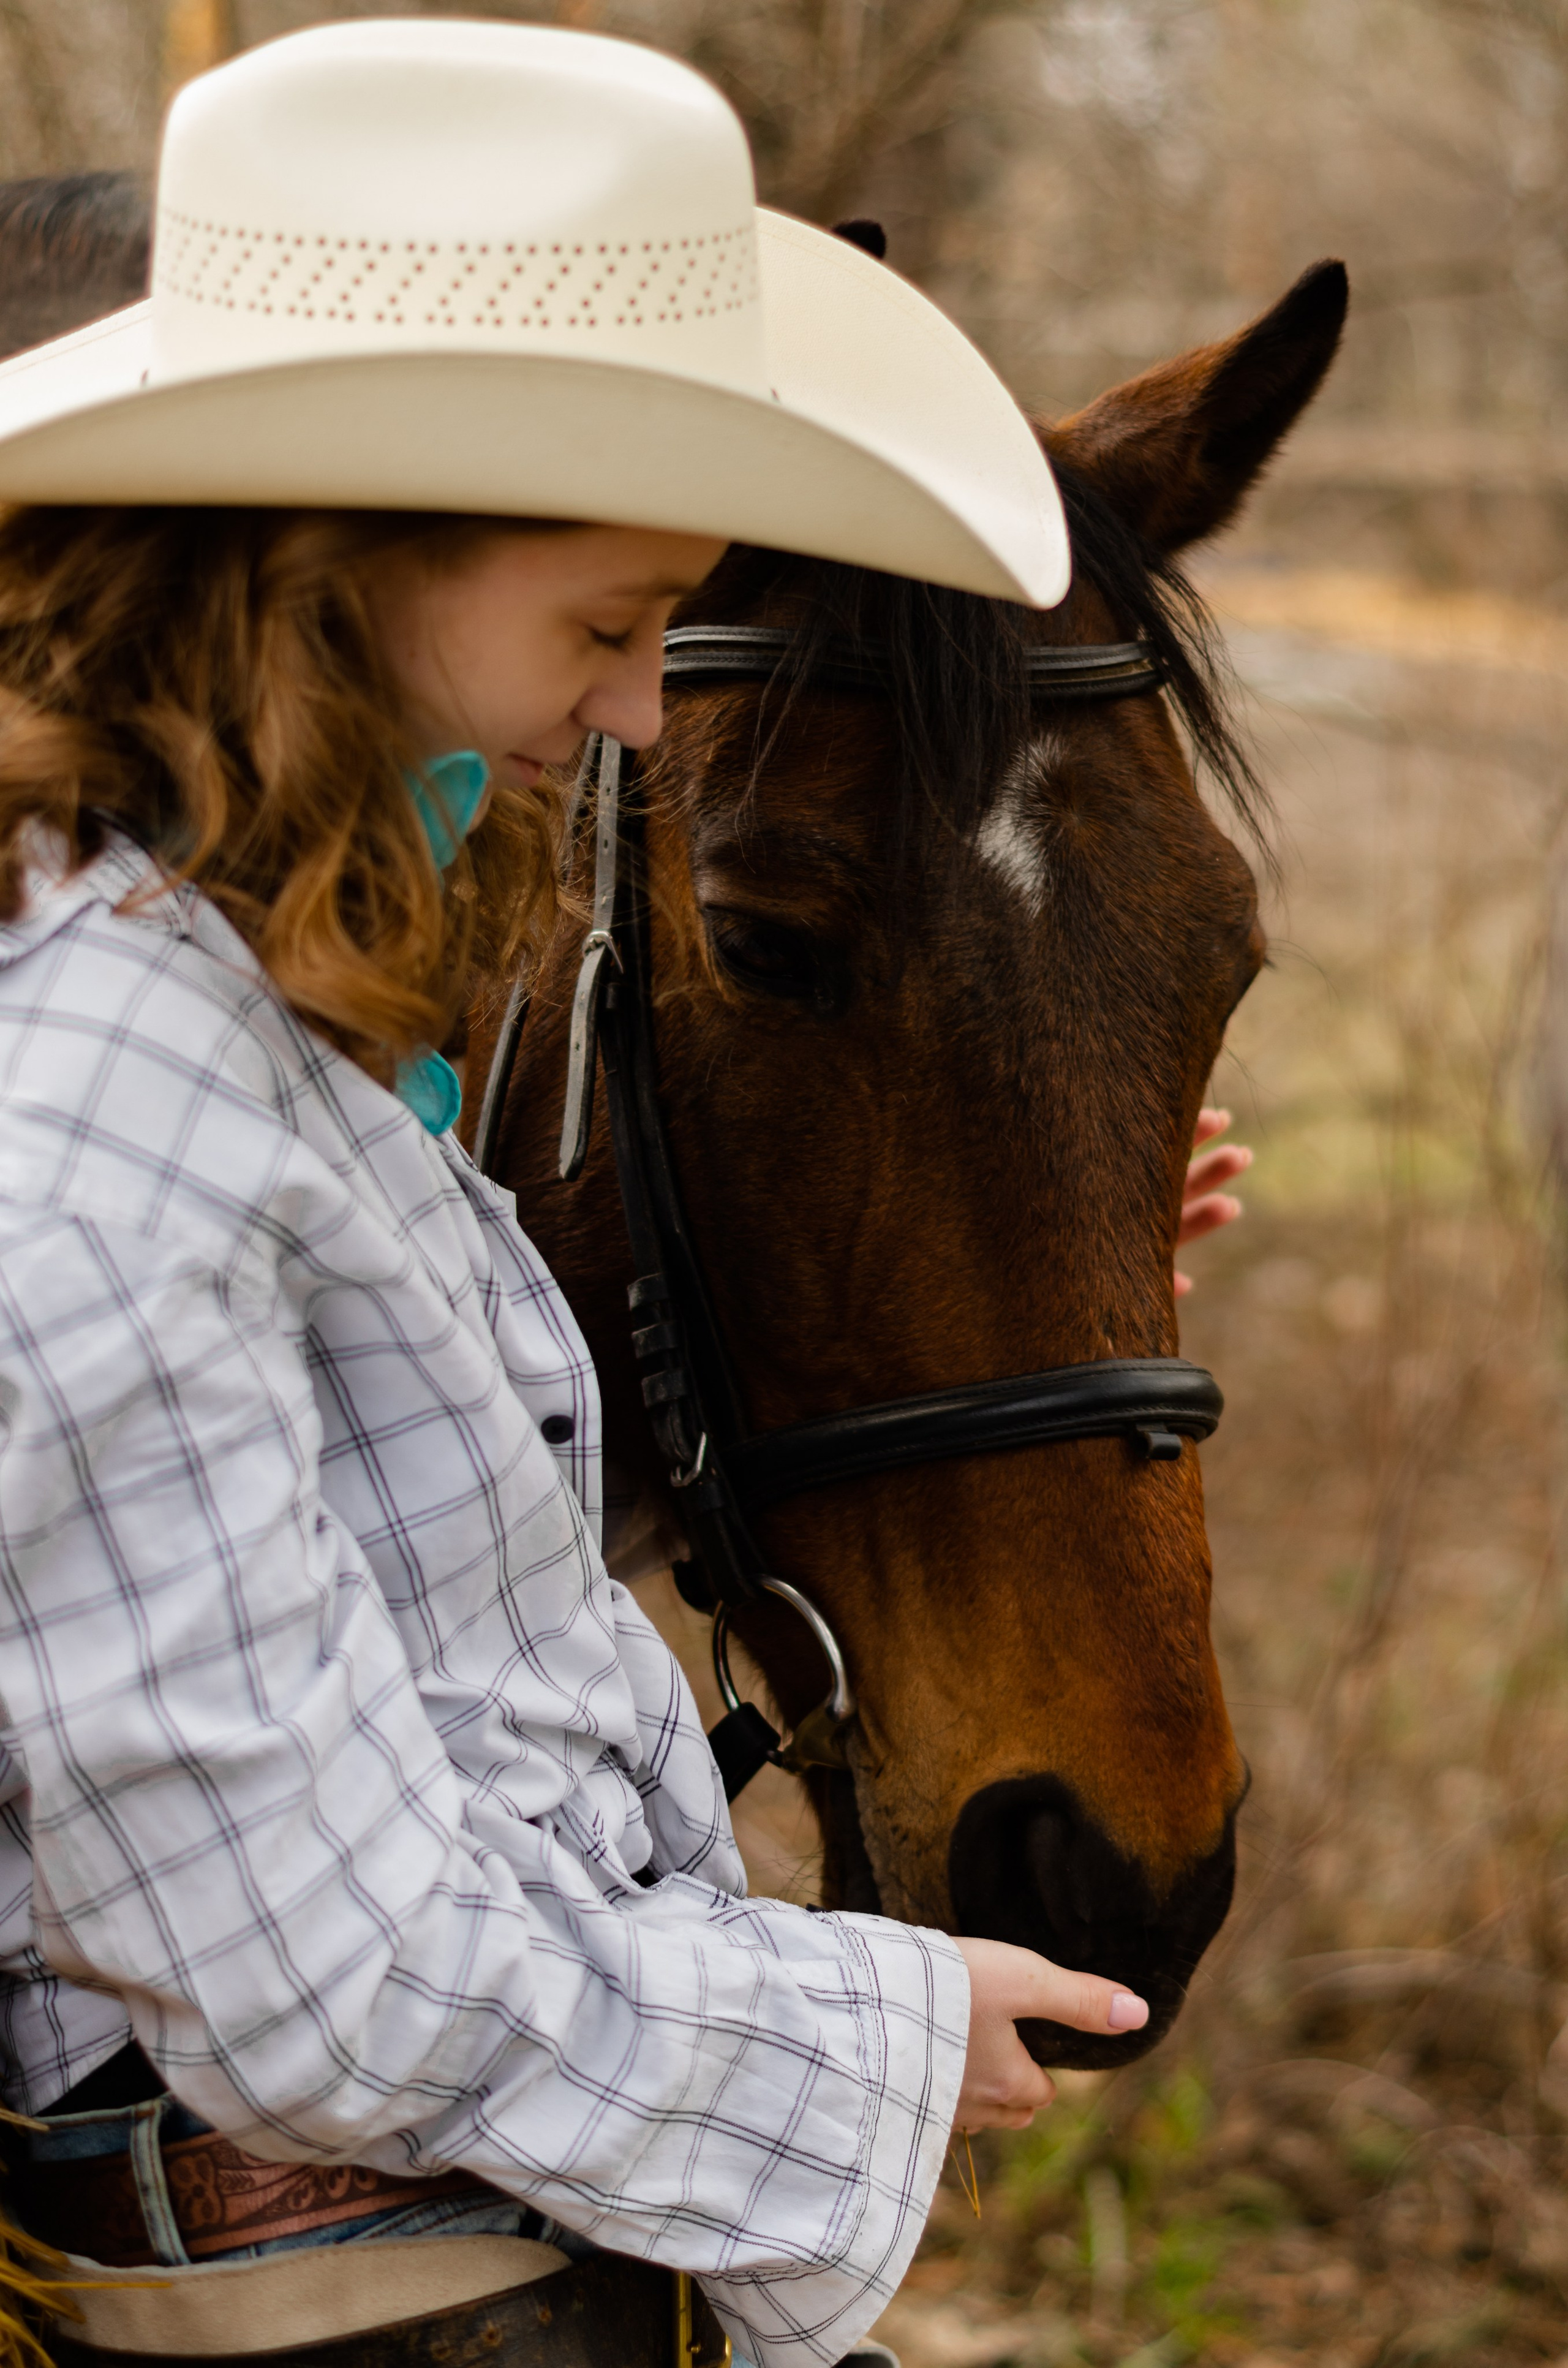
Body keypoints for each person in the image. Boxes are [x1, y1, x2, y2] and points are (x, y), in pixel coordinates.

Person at [0, 21, 1233, 2368]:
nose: (653, 709)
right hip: (372, 2296)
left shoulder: (252, 1011)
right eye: (606, 621)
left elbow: (375, 1563)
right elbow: (318, 1987)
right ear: (329, 562)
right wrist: (857, 2034)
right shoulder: (100, 1110)